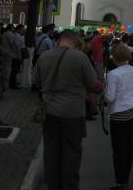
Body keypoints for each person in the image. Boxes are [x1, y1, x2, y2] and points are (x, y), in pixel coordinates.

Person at [33, 29, 102, 190]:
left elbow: (35, 80)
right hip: (72, 112)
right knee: (72, 152)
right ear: (74, 41)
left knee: (51, 150)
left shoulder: (45, 56)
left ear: (60, 40)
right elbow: (93, 84)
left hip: (49, 111)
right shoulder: (80, 58)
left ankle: (53, 185)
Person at [105, 44, 133, 190]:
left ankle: (121, 181)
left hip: (119, 113)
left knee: (118, 148)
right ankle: (126, 175)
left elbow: (110, 97)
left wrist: (104, 90)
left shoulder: (113, 74)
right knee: (129, 145)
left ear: (114, 58)